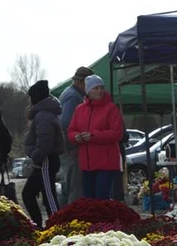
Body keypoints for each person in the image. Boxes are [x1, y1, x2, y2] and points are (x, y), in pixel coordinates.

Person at [67, 74, 124, 201]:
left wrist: (93, 136)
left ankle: (104, 221)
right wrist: (76, 137)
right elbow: (71, 130)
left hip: (106, 163)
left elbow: (117, 133)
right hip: (86, 163)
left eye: (101, 87)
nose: (100, 91)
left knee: (101, 199)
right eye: (96, 88)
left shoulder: (111, 109)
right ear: (88, 91)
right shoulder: (79, 109)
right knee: (88, 200)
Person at [21, 80, 64, 227]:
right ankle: (38, 225)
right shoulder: (43, 114)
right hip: (42, 160)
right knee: (28, 194)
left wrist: (36, 156)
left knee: (49, 196)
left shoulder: (43, 116)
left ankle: (57, 225)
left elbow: (45, 141)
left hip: (45, 160)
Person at [58, 66, 95, 203]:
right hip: (72, 149)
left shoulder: (69, 93)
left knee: (68, 187)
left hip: (67, 148)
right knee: (75, 189)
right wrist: (76, 141)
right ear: (81, 82)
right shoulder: (74, 97)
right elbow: (67, 122)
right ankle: (73, 220)